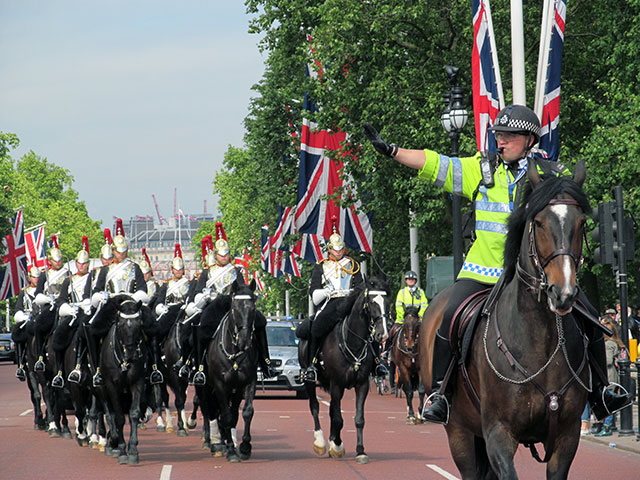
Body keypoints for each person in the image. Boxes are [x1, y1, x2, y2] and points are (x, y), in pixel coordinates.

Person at [364, 104, 632, 424]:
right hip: (483, 270)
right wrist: (393, 151)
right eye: (498, 135)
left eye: (508, 136)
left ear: (530, 139)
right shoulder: (481, 168)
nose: (500, 141)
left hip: (538, 274)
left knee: (588, 317)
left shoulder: (553, 174)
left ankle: (601, 391)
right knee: (449, 317)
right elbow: (436, 163)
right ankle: (440, 394)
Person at [183, 223, 276, 385]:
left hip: (233, 306)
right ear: (216, 255)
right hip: (213, 306)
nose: (224, 257)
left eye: (226, 254)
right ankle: (197, 367)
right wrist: (204, 296)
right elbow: (198, 292)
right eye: (221, 254)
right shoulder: (207, 272)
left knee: (260, 321)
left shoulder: (235, 271)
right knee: (199, 327)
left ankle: (265, 362)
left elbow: (242, 288)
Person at [303, 223, 387, 382]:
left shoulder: (353, 265)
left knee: (371, 326)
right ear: (329, 249)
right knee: (316, 328)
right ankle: (311, 365)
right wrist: (326, 292)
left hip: (350, 302)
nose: (339, 252)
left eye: (341, 249)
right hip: (330, 303)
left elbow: (361, 286)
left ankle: (377, 363)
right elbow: (314, 291)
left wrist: (353, 294)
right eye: (335, 249)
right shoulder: (321, 266)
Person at [90, 218, 151, 386]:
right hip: (112, 305)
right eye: (118, 251)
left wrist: (136, 297)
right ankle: (96, 370)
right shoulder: (105, 270)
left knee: (151, 330)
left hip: (130, 306)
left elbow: (142, 289)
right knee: (93, 331)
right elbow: (96, 291)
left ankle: (153, 368)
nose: (121, 254)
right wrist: (101, 297)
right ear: (113, 251)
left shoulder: (135, 267)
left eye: (124, 250)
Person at [51, 236, 92, 388]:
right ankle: (60, 372)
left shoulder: (93, 277)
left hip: (89, 312)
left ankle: (97, 369)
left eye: (84, 263)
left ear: (88, 264)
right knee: (59, 334)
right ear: (76, 263)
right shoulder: (69, 280)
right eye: (79, 263)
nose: (82, 266)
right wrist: (68, 308)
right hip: (73, 313)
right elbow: (61, 299)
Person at [33, 235, 68, 371]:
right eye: (55, 260)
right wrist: (47, 299)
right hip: (51, 307)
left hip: (66, 305)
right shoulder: (44, 275)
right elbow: (38, 294)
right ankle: (40, 357)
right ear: (50, 261)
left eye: (60, 260)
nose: (58, 262)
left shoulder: (68, 273)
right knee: (38, 326)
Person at [594, 316, 625, 437]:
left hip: (609, 376)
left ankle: (607, 427)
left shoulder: (608, 344)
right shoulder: (614, 342)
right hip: (611, 375)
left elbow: (607, 361)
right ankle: (609, 424)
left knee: (607, 403)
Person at [12, 266, 41, 381]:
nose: (36, 280)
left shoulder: (44, 291)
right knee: (17, 333)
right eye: (34, 277)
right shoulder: (24, 292)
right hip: (28, 321)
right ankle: (21, 365)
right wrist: (22, 315)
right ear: (30, 278)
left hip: (40, 319)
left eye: (38, 277)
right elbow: (18, 307)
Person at [391, 270, 429, 342]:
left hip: (417, 319)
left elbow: (425, 304)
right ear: (406, 281)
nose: (410, 281)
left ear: (415, 281)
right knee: (392, 332)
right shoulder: (402, 292)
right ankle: (387, 350)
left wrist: (420, 314)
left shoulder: (420, 292)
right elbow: (398, 305)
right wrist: (404, 316)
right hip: (402, 320)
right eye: (409, 279)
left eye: (412, 279)